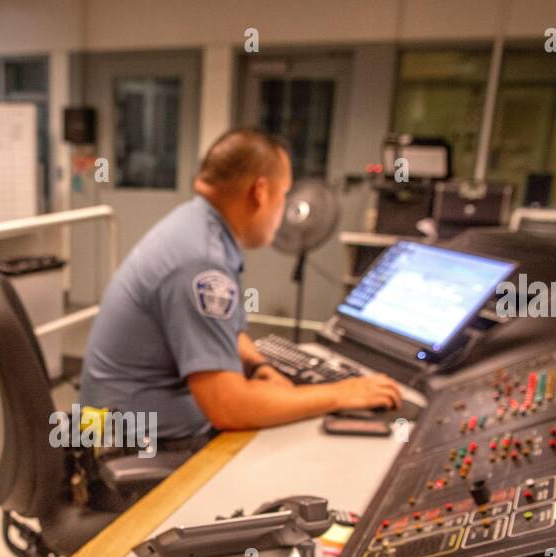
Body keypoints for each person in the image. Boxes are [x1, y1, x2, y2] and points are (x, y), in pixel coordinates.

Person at [79, 128, 402, 448]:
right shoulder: (201, 261)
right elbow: (228, 409)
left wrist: (259, 365)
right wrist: (341, 393)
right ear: (260, 192)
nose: (282, 209)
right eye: (283, 194)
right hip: (128, 440)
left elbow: (229, 331)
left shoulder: (198, 225)